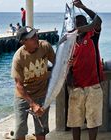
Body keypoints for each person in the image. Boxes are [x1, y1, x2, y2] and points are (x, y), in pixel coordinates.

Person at [66, 1, 104, 140]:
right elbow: (67, 64)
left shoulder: (93, 36)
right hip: (76, 87)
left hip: (93, 86)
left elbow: (98, 20)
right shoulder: (71, 43)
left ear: (87, 25)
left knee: (93, 121)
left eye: (83, 22)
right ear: (75, 26)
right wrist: (68, 77)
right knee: (74, 121)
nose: (81, 25)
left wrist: (82, 7)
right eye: (78, 23)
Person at [11, 26, 55, 140]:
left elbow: (57, 63)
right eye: (32, 37)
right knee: (20, 130)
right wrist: (32, 104)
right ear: (23, 42)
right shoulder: (18, 58)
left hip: (42, 94)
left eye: (36, 34)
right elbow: (19, 85)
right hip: (23, 96)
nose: (36, 38)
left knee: (41, 130)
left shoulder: (45, 46)